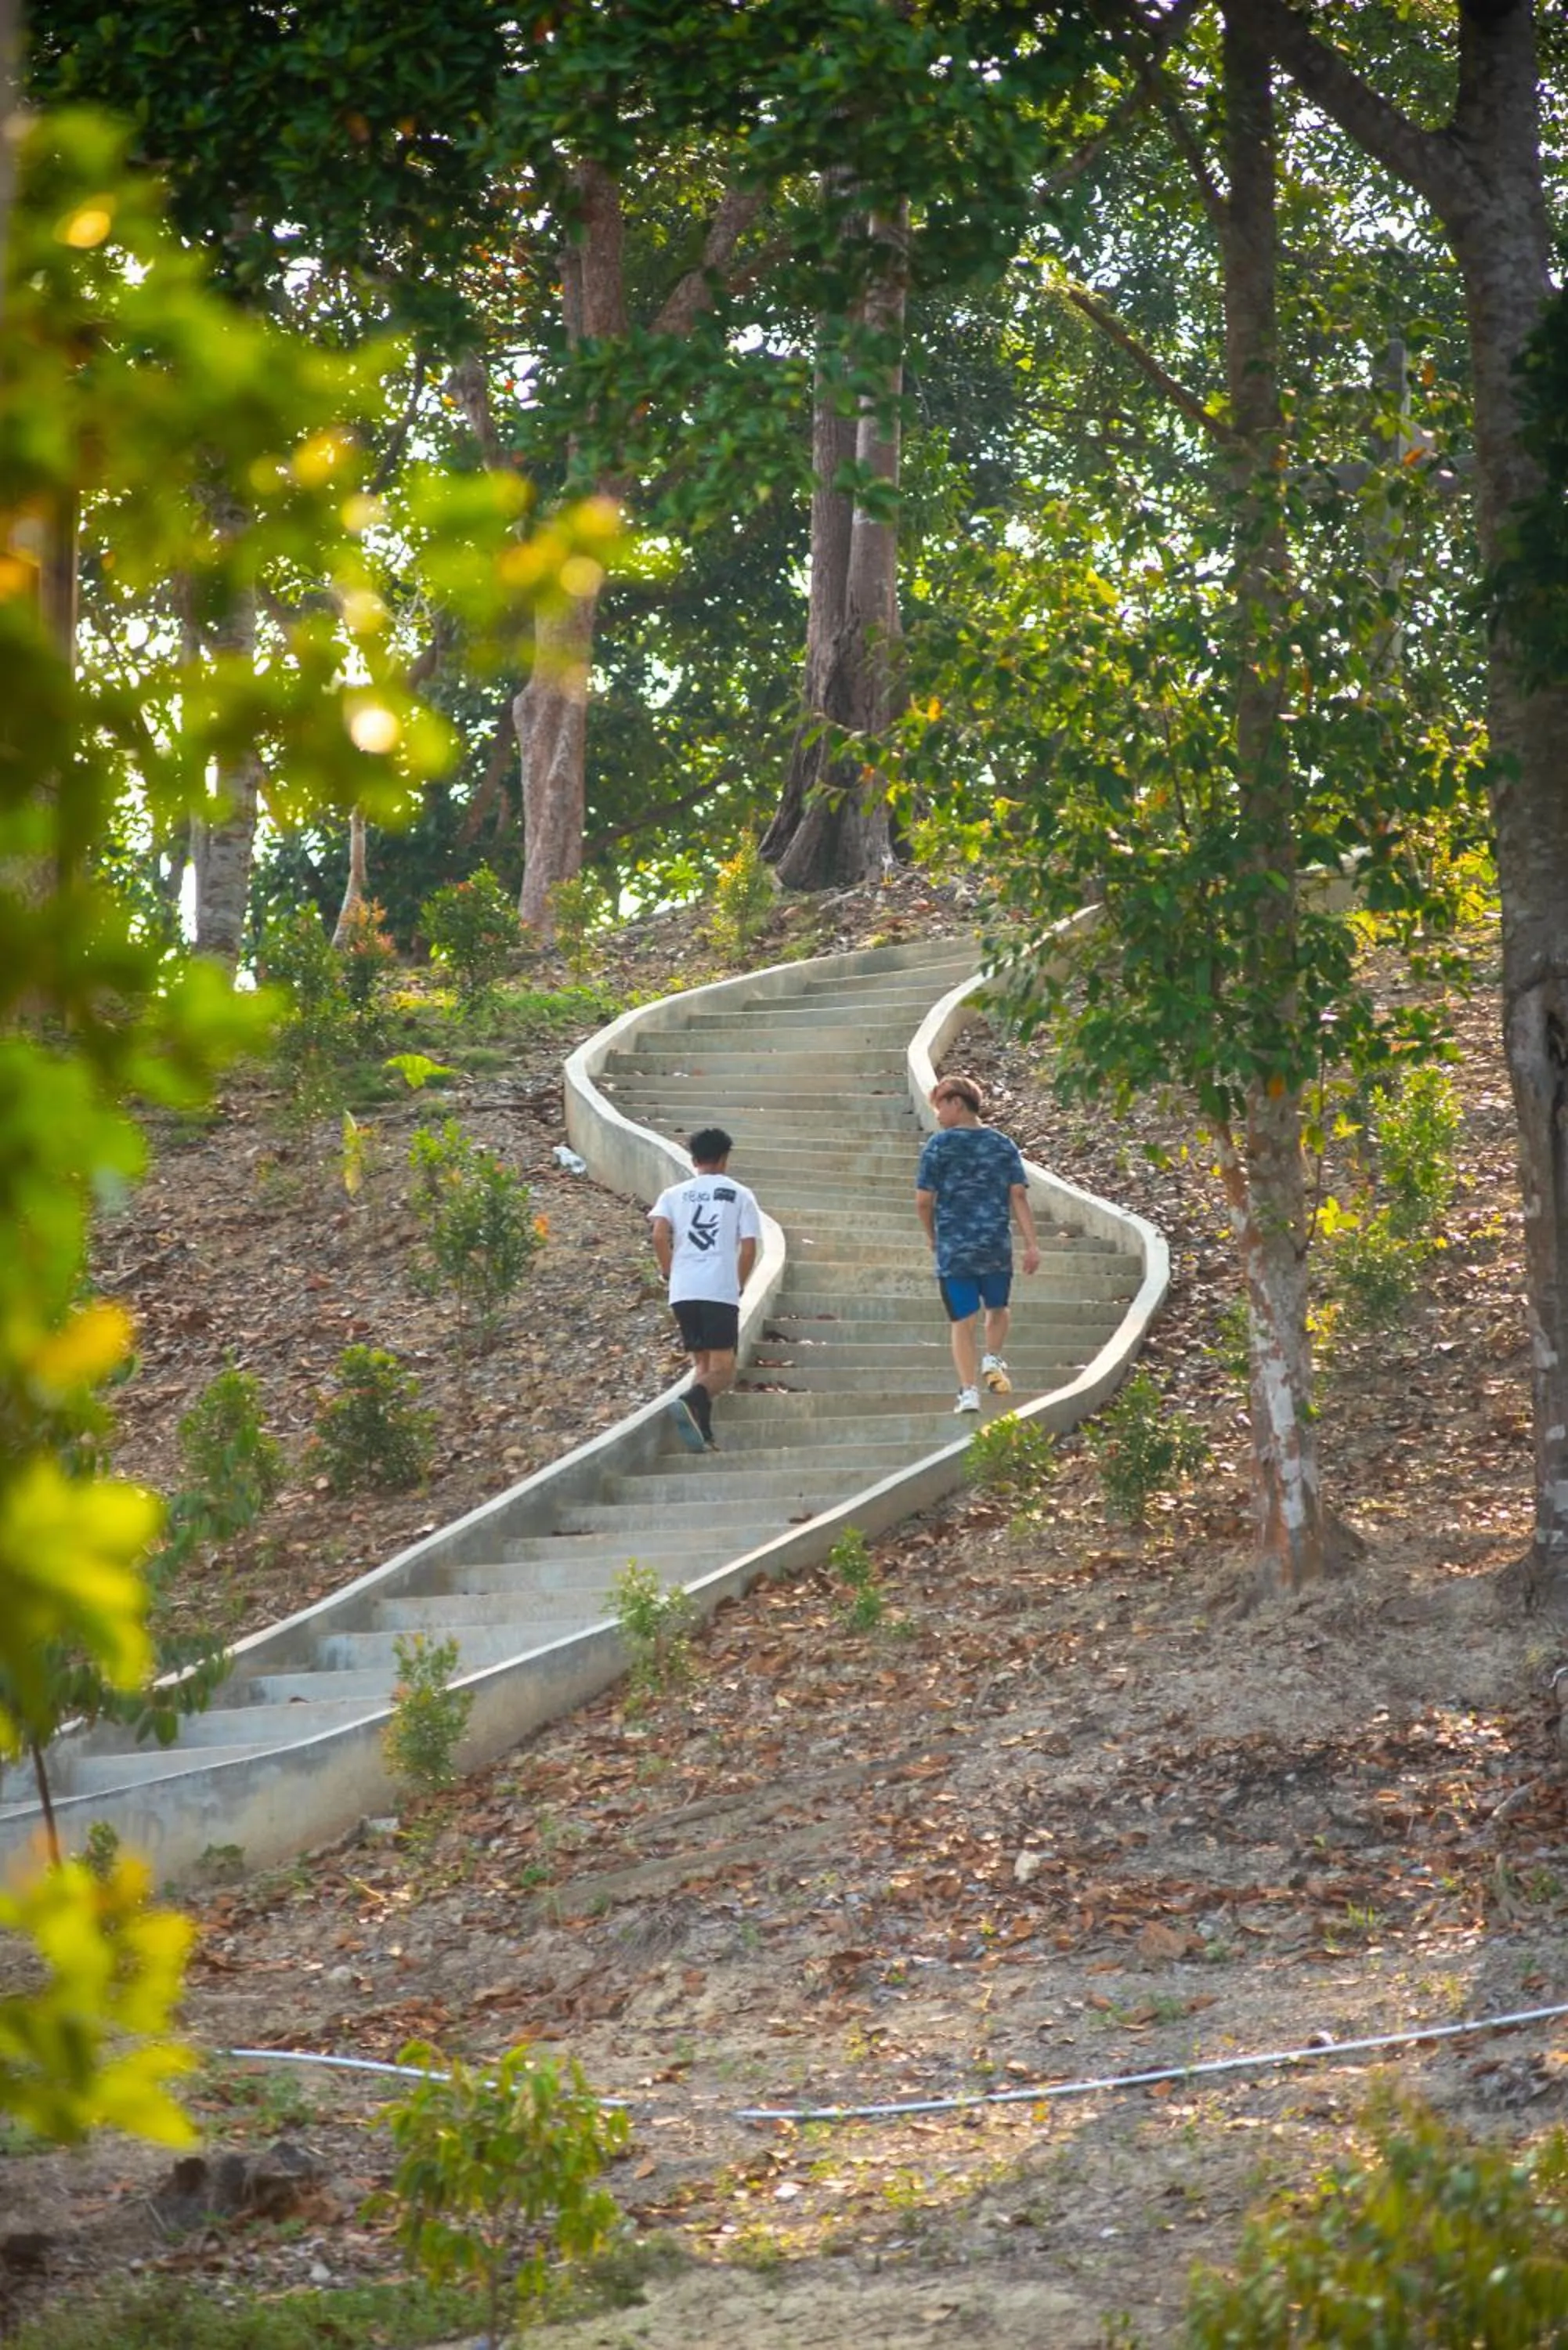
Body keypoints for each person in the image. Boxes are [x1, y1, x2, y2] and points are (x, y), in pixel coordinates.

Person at [915, 1073, 1041, 1413]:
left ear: (957, 1103)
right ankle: (993, 1358)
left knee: (962, 1322)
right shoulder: (1003, 1144)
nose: (938, 1114)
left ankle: (968, 1392)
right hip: (995, 1246)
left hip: (954, 1249)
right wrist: (1032, 1244)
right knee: (997, 1308)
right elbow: (1018, 1195)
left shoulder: (939, 1146)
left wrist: (932, 1237)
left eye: (940, 1105)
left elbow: (924, 1201)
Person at [649, 1126, 761, 1452]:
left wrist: (670, 1271)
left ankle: (705, 1433)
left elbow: (658, 1236)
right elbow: (749, 1248)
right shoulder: (739, 1194)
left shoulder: (673, 1194)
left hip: (683, 1291)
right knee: (723, 1372)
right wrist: (737, 1285)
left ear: (694, 1158)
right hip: (718, 1290)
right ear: (725, 1159)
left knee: (702, 1366)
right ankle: (691, 1399)